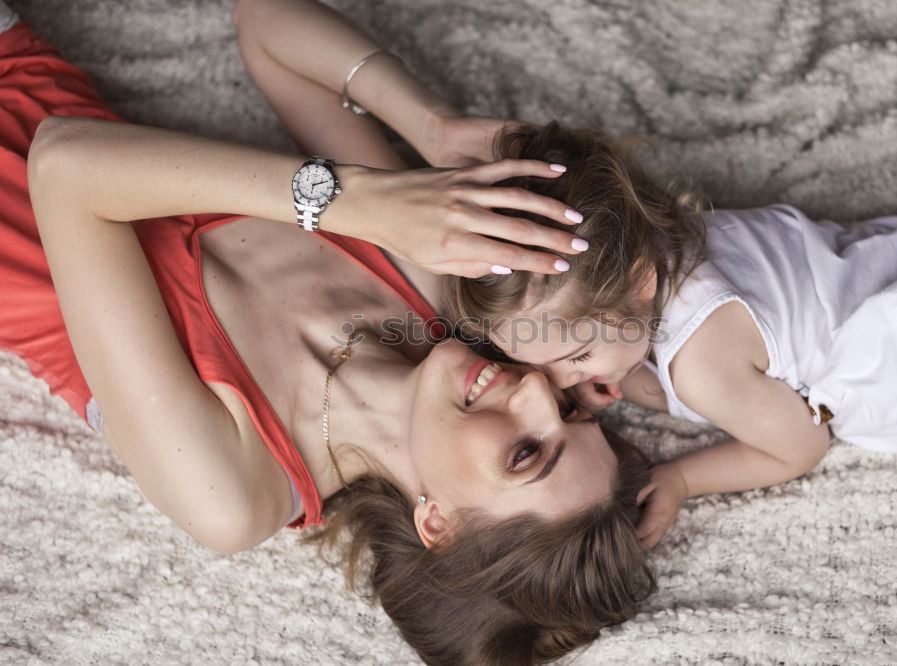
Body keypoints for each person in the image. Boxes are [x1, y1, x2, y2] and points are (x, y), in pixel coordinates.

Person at [0, 3, 657, 663]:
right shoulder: (425, 281)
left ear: (439, 522)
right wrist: (428, 124)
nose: (537, 394)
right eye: (569, 411)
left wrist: (357, 200)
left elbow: (66, 164)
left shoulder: (231, 491)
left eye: (525, 454)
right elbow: (265, 24)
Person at [444, 120, 897, 550]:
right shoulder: (674, 237)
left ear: (639, 282)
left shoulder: (701, 368)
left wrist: (684, 478)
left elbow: (800, 446)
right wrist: (611, 369)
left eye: (577, 355)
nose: (555, 383)